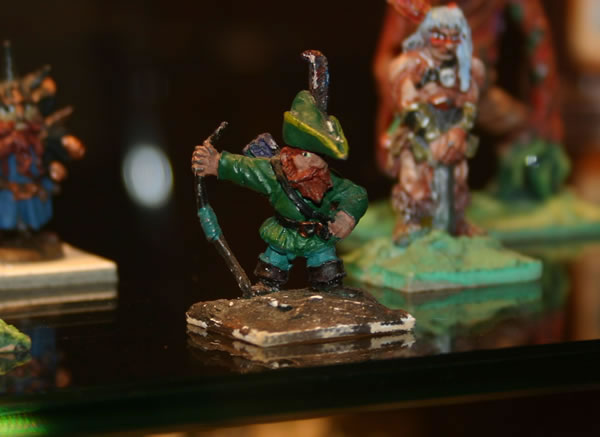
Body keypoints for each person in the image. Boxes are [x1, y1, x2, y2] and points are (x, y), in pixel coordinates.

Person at [192, 76, 368, 294]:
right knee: (272, 267)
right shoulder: (273, 172)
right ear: (291, 154)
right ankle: (267, 288)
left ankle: (329, 290)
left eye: (320, 156)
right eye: (306, 155)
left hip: (317, 238)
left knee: (327, 272)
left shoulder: (327, 179)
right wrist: (216, 162)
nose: (315, 163)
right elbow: (245, 168)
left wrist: (346, 216)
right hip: (284, 232)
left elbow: (356, 194)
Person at [383, 4, 484, 244]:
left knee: (458, 178)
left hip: (452, 132)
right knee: (414, 179)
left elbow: (470, 103)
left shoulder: (466, 67)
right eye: (439, 37)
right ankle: (409, 222)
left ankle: (457, 221)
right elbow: (408, 105)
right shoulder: (410, 66)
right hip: (419, 133)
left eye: (454, 38)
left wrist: (459, 131)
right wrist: (432, 136)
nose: (447, 45)